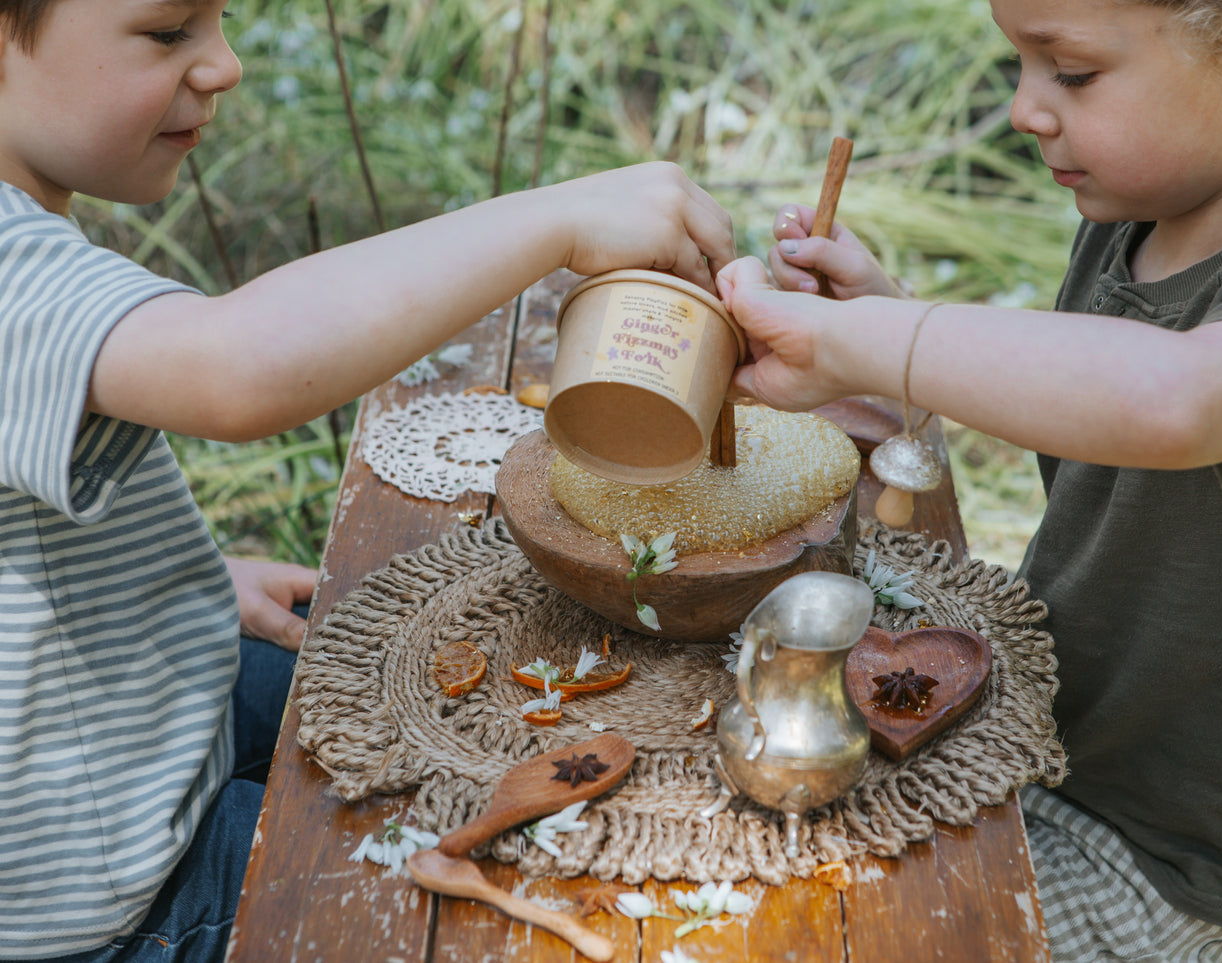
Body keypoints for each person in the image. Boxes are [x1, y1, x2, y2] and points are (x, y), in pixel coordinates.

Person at [0, 1, 734, 960]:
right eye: (169, 31)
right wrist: (558, 217)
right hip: (115, 890)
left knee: (460, 721)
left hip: (132, 721)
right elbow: (231, 365)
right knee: (493, 908)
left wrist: (173, 575)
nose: (223, 65)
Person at [717, 0, 1222, 959]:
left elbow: (1174, 400)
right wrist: (888, 323)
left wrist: (872, 343)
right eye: (1019, 63)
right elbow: (1088, 413)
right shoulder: (1135, 224)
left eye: (1072, 72)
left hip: (1156, 854)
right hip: (1038, 745)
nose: (1024, 109)